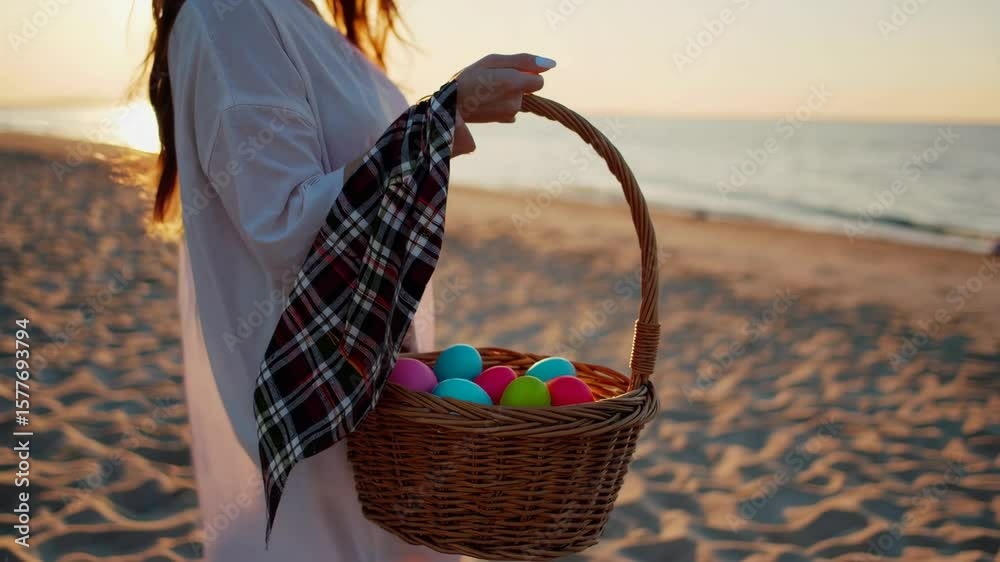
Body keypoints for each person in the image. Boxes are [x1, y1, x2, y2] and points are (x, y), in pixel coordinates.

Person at [141, 0, 554, 560]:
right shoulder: (231, 14)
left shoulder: (305, 20)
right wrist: (441, 114)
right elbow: (284, 225)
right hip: (313, 391)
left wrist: (438, 118)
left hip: (372, 393)